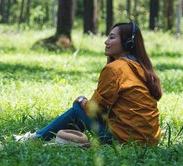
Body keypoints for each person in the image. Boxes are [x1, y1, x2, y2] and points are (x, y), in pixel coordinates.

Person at [15, 22, 162, 145]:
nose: (106, 41)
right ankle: (66, 139)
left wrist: (81, 100)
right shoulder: (142, 68)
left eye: (111, 37)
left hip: (124, 141)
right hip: (150, 141)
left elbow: (94, 108)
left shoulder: (115, 69)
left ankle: (37, 138)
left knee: (78, 108)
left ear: (127, 43)